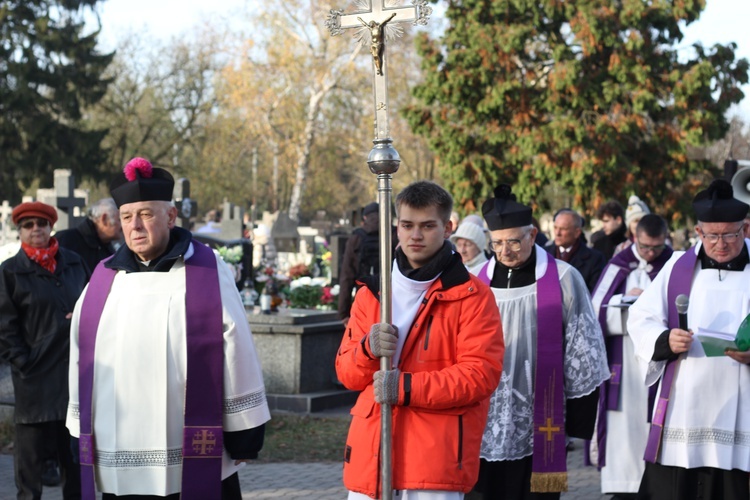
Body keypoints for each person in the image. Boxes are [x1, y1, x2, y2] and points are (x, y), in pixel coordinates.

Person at [66, 157, 270, 499]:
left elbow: (236, 347)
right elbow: (80, 355)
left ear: (171, 217)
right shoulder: (103, 278)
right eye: (127, 217)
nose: (135, 226)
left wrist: (244, 431)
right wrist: (77, 431)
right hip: (117, 452)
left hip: (188, 448)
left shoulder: (205, 269)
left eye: (146, 214)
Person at [336, 180, 504, 499]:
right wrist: (367, 349)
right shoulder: (372, 293)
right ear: (396, 227)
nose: (416, 235)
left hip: (433, 461)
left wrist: (404, 388)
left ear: (448, 227)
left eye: (428, 226)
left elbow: (481, 374)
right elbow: (346, 373)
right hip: (371, 456)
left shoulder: (472, 296)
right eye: (407, 225)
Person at [474, 184, 610, 500]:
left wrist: (577, 419)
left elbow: (583, 345)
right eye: (496, 243)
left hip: (540, 413)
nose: (505, 251)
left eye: (513, 241)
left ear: (533, 235)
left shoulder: (563, 278)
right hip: (484, 413)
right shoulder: (475, 281)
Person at [627, 179, 750, 500]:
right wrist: (667, 340)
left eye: (729, 235)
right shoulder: (677, 267)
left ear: (745, 228)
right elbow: (641, 318)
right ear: (698, 232)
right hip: (685, 403)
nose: (720, 243)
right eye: (711, 235)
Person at [0, 201, 87, 499]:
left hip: (72, 379)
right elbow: (5, 326)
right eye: (28, 225)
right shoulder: (10, 272)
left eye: (41, 223)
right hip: (34, 383)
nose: (36, 229)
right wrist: (25, 361)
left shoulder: (74, 263)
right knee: (29, 475)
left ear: (51, 226)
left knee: (74, 468)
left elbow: (94, 303)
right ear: (20, 231)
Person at [589, 214, 673, 498]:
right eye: (646, 247)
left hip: (661, 361)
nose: (651, 254)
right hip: (623, 363)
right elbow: (596, 310)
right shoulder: (618, 265)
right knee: (624, 428)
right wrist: (622, 303)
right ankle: (624, 487)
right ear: (634, 238)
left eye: (657, 248)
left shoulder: (674, 264)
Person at [544, 208, 606, 293]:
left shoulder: (594, 259)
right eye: (555, 227)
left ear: (577, 232)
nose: (557, 233)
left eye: (563, 229)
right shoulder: (543, 254)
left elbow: (594, 294)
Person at [55, 197, 122, 274]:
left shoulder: (109, 251)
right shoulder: (65, 240)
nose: (122, 226)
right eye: (119, 220)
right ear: (104, 219)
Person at [338, 202, 380, 323]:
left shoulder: (356, 238)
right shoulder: (394, 234)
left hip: (363, 297)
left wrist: (343, 313)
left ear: (365, 217)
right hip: (391, 299)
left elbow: (347, 275)